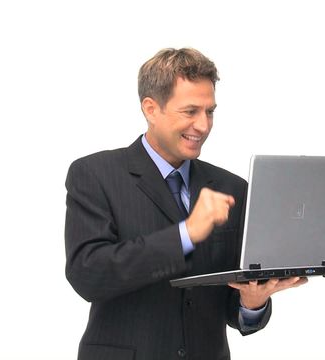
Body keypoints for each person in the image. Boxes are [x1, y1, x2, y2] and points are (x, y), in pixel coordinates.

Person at [64, 47, 307, 360]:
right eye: (190, 111)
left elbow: (234, 310)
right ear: (151, 109)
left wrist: (252, 301)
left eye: (210, 112)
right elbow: (89, 276)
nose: (203, 126)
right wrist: (186, 234)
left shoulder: (231, 188)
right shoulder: (95, 175)